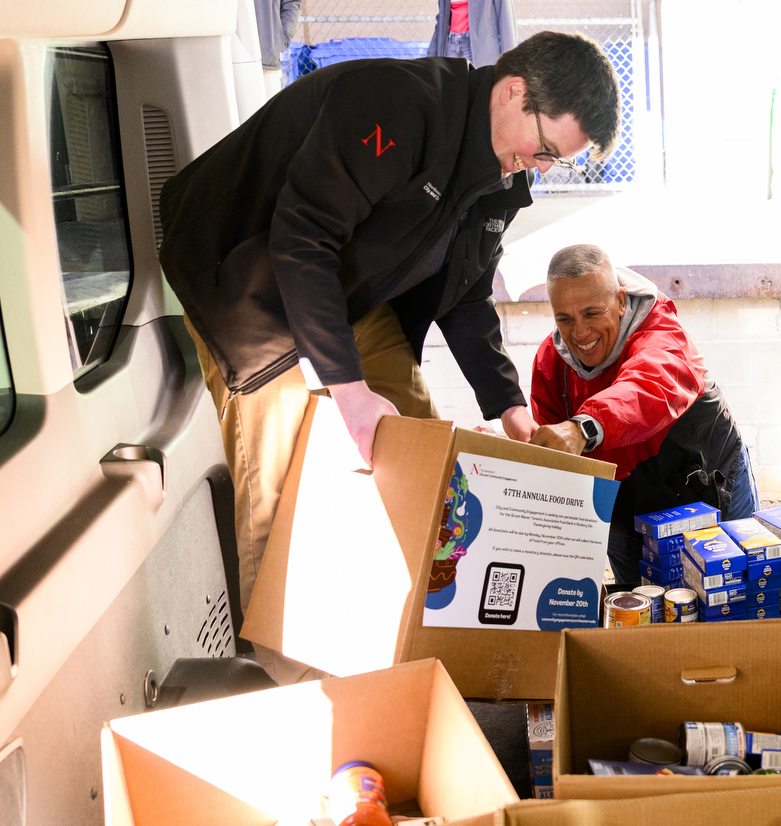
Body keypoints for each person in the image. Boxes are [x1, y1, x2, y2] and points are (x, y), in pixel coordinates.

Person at [159, 33, 621, 637]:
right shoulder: (397, 106)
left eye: (556, 163)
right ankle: (291, 677)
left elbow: (468, 293)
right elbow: (301, 239)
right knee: (277, 485)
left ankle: (412, 633)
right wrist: (348, 391)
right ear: (515, 92)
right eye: (547, 151)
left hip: (350, 283)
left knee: (423, 452)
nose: (541, 169)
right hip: (247, 275)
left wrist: (508, 406)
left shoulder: (504, 178)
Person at [527, 244, 759, 590]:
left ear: (621, 301)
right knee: (642, 614)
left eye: (592, 313)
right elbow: (555, 463)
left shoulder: (662, 333)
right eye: (565, 318)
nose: (580, 333)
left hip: (710, 488)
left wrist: (583, 428)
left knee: (741, 594)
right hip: (624, 513)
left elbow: (648, 386)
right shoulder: (550, 364)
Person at [427, 0, 517, 67]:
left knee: (479, 89)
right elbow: (442, 17)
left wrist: (510, 64)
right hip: (450, 44)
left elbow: (505, 16)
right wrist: (430, 58)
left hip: (481, 48)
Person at [254, 0, 302, 97]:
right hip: (228, 60)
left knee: (269, 110)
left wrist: (281, 40)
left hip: (268, 63)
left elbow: (291, 3)